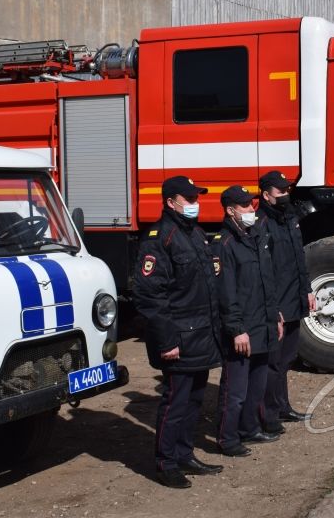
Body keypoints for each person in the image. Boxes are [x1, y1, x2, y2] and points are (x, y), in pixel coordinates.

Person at [131, 176, 224, 489]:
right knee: (175, 402)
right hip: (178, 340)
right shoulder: (159, 239)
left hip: (200, 336)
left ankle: (185, 454)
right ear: (171, 202)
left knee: (195, 400)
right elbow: (150, 298)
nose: (195, 204)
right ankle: (165, 462)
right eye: (189, 199)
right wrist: (167, 341)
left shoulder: (195, 234)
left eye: (196, 198)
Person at [216, 185, 284, 457]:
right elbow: (226, 293)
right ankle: (227, 439)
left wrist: (275, 314)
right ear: (231, 211)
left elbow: (267, 281)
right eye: (244, 206)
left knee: (257, 386)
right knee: (235, 391)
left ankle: (249, 428)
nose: (251, 209)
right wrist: (236, 330)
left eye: (251, 204)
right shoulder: (224, 244)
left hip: (263, 323)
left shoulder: (255, 237)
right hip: (242, 329)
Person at [257, 170, 315, 432]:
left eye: (287, 190)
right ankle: (267, 415)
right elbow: (263, 272)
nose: (285, 195)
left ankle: (282, 406)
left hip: (294, 298)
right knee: (272, 362)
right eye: (280, 192)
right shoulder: (261, 224)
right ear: (266, 195)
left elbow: (299, 260)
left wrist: (309, 290)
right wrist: (273, 309)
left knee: (286, 358)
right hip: (277, 304)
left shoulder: (290, 218)